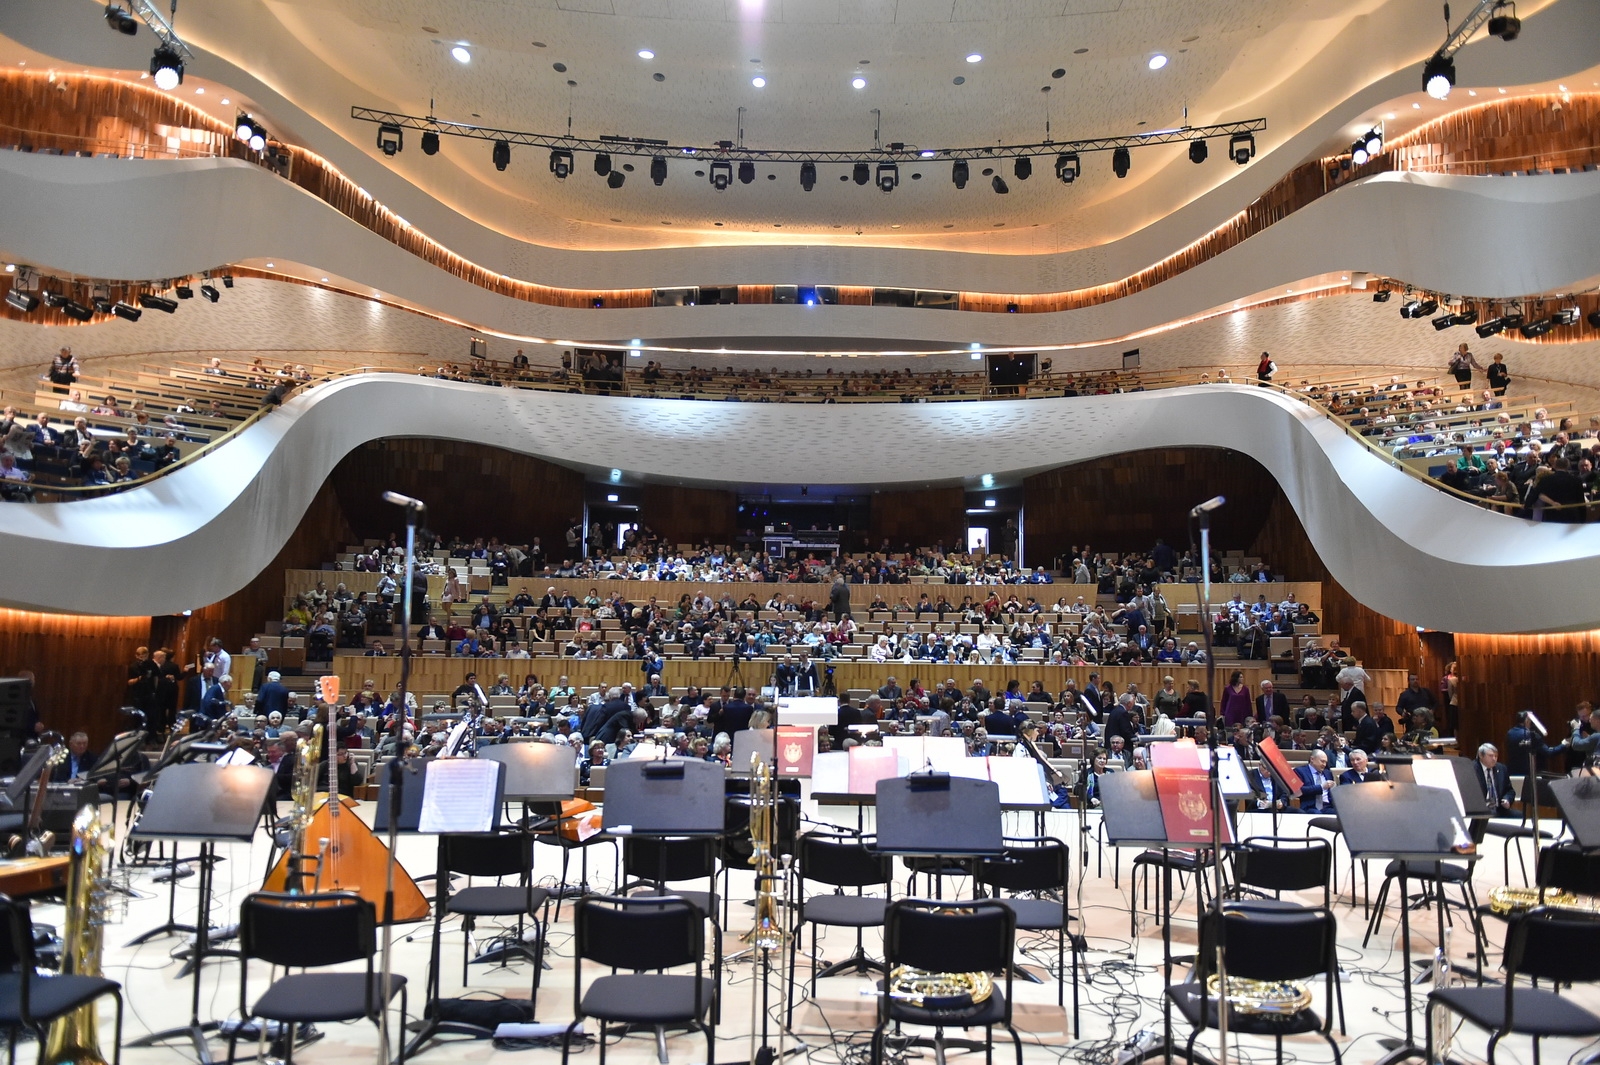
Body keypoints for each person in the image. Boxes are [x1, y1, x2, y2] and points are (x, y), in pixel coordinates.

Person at [1474, 742, 1514, 815]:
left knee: (1520, 816)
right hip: (1481, 811)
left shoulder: (1501, 768)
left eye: (1496, 756)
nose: (1494, 759)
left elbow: (1509, 790)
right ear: (1481, 755)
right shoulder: (1471, 769)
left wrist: (1507, 799)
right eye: (1490, 756)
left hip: (1499, 809)